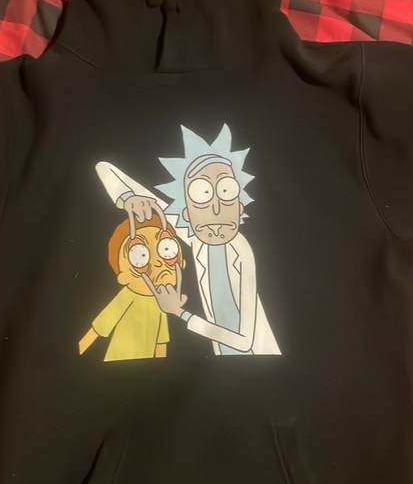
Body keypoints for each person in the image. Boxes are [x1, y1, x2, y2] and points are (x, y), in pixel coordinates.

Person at [95, 124, 281, 356]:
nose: (215, 209)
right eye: (202, 194)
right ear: (186, 215)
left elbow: (244, 342)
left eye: (226, 191)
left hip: (260, 358)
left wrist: (180, 313)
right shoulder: (196, 239)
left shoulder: (241, 250)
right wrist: (128, 198)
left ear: (239, 207)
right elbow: (104, 168)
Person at [78, 216, 185, 362]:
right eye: (140, 256)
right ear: (123, 276)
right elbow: (100, 326)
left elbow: (161, 341)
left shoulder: (161, 302)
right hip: (119, 361)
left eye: (167, 248)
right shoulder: (127, 296)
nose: (158, 263)